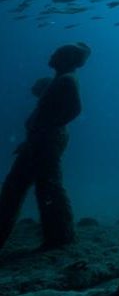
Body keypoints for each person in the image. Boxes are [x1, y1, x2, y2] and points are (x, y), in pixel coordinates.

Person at [0, 43, 90, 251]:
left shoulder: (66, 80)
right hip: (39, 141)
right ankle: (59, 236)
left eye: (57, 53)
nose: (52, 55)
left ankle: (60, 237)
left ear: (66, 58)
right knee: (32, 188)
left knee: (44, 188)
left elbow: (74, 110)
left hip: (45, 142)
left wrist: (47, 130)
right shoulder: (59, 80)